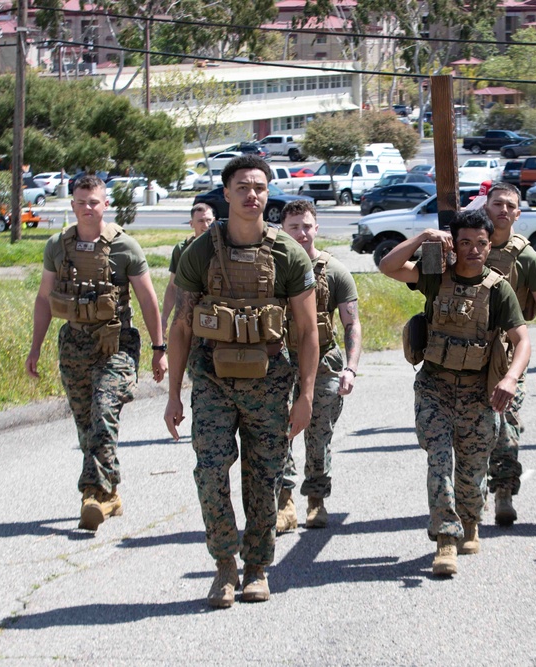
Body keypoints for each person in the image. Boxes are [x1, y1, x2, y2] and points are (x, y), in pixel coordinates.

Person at [163, 155, 319, 608]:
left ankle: (256, 567)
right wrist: (174, 394)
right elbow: (181, 326)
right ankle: (224, 566)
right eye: (243, 187)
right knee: (210, 472)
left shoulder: (287, 253)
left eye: (260, 187)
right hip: (211, 379)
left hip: (270, 382)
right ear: (226, 193)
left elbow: (307, 331)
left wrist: (305, 396)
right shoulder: (201, 252)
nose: (253, 195)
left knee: (264, 477)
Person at [379, 210, 531, 577]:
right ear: (453, 244)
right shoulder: (435, 277)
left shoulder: (498, 289)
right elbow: (388, 266)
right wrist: (421, 239)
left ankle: (470, 519)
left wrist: (510, 378)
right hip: (436, 388)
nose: (474, 249)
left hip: (480, 394)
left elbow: (522, 339)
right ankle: (445, 538)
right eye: (465, 242)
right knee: (439, 462)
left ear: (490, 244)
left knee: (473, 471)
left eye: (481, 242)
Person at [26, 174, 168, 532]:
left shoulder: (125, 248)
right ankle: (111, 492)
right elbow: (44, 298)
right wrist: (35, 347)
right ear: (72, 205)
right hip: (74, 343)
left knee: (104, 413)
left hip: (115, 345)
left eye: (94, 202)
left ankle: (94, 494)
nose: (88, 208)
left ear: (105, 204)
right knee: (85, 424)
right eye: (81, 202)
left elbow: (148, 300)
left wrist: (159, 348)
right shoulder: (57, 246)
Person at [277, 199, 361, 532]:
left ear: (317, 228)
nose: (301, 233)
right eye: (294, 227)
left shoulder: (335, 271)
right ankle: (284, 501)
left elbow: (352, 323)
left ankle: (316, 499)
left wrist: (351, 368)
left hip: (325, 363)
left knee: (318, 433)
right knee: (277, 431)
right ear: (283, 231)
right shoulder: (273, 270)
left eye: (306, 226)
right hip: (280, 363)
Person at [482, 182, 536, 526]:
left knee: (506, 425)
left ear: (518, 213)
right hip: (467, 350)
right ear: (486, 206)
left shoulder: (525, 256)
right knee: (472, 426)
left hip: (509, 353)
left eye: (510, 206)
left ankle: (503, 494)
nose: (503, 210)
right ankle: (471, 491)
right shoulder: (469, 246)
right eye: (497, 203)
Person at [161, 203, 215, 335]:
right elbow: (173, 286)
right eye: (201, 221)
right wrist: (164, 318)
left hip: (214, 310)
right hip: (189, 311)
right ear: (191, 224)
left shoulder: (220, 248)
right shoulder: (182, 249)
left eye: (209, 220)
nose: (206, 225)